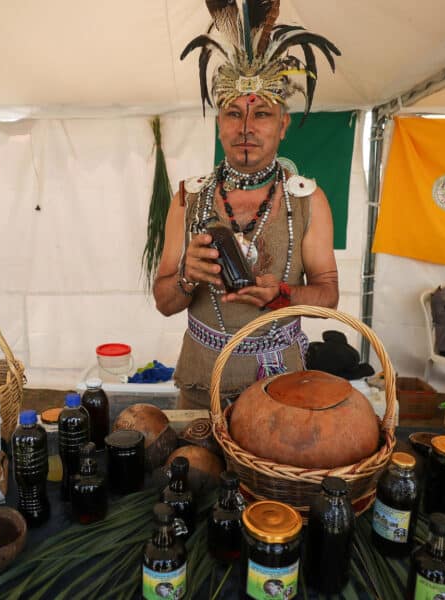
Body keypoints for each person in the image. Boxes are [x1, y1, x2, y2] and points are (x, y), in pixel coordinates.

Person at [153, 3, 341, 409]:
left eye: (262, 114)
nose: (246, 128)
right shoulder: (188, 198)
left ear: (283, 125)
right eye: (233, 113)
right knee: (196, 472)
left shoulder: (307, 200)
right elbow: (164, 302)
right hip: (203, 384)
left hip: (281, 385)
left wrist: (284, 296)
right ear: (219, 123)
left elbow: (329, 298)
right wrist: (187, 276)